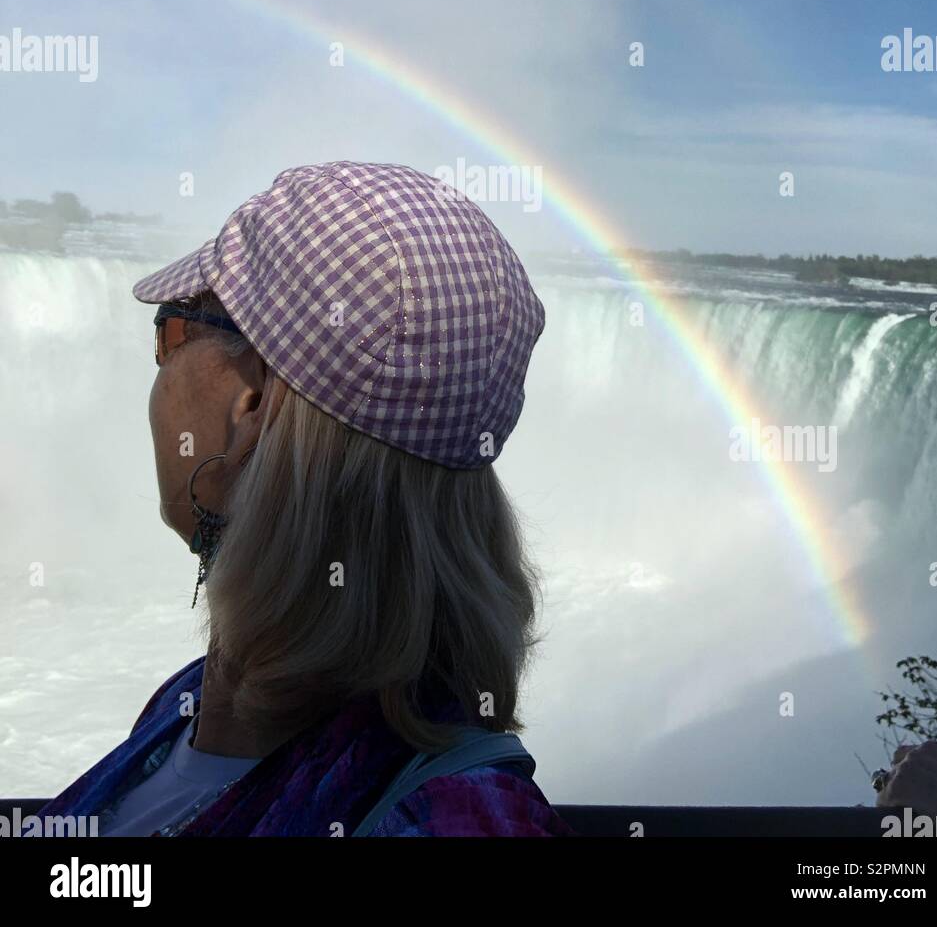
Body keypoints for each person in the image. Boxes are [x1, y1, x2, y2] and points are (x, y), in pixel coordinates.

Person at [39, 160, 576, 837]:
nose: (163, 363)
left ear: (254, 401)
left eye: (173, 331)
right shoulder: (190, 702)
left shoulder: (451, 825)